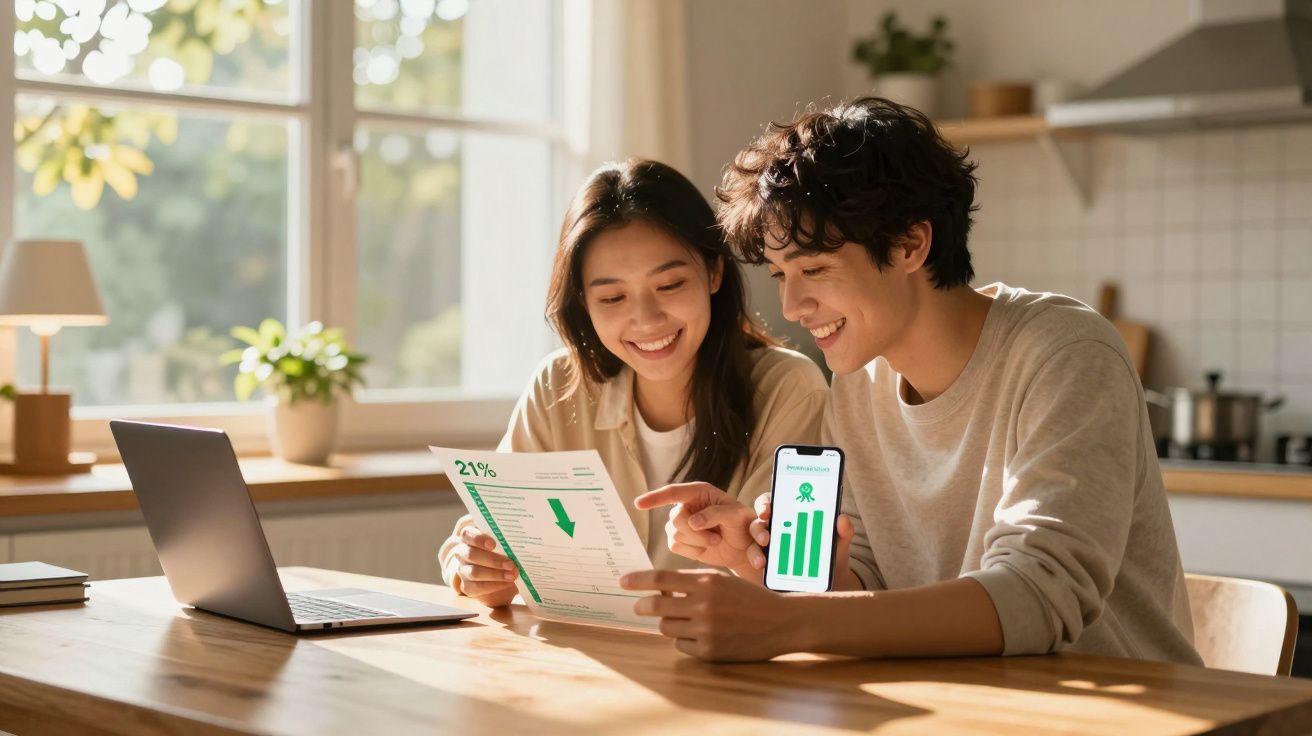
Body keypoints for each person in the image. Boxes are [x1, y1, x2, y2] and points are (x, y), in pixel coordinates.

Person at [620, 98, 1202, 666]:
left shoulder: (1065, 353)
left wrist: (791, 622)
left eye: (814, 268)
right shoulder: (858, 382)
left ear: (909, 244)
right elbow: (871, 589)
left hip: (1123, 706)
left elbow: (1041, 592)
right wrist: (755, 560)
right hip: (964, 703)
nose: (792, 307)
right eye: (780, 275)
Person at [438, 158, 828, 608]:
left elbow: (797, 580)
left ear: (714, 273)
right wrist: (477, 569)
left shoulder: (789, 388)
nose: (645, 319)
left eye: (669, 284)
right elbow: (485, 536)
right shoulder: (557, 386)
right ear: (583, 303)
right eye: (612, 297)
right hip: (578, 649)